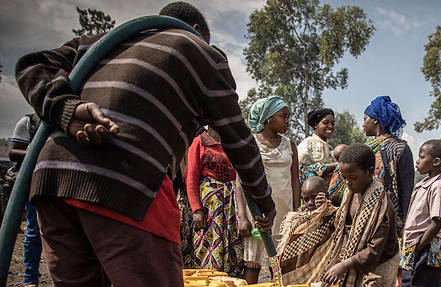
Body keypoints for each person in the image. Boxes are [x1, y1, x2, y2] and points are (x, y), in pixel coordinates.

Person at [13, 2, 276, 286]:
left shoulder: (102, 43)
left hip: (53, 182)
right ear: (197, 31)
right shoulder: (199, 51)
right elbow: (238, 139)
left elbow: (32, 64)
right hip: (128, 181)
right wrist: (263, 201)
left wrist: (64, 107)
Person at [239, 95, 301, 281]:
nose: (288, 121)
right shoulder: (251, 144)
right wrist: (242, 217)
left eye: (289, 117)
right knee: (253, 265)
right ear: (268, 118)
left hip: (284, 214)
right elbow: (240, 182)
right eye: (283, 116)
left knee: (279, 267)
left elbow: (295, 182)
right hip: (258, 214)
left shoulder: (290, 145)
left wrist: (296, 214)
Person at [322, 143, 399, 287]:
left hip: (381, 264)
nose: (347, 182)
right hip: (359, 259)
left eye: (352, 177)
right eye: (344, 177)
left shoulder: (381, 206)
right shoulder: (350, 194)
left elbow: (375, 249)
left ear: (370, 172)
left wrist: (345, 264)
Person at [185, 128, 245, 275]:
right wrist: (197, 209)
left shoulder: (232, 141)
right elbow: (191, 178)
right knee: (207, 250)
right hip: (209, 208)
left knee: (233, 250)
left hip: (232, 205)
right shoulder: (199, 142)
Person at [400, 140, 441, 287]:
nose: (417, 161)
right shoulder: (421, 185)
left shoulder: (438, 186)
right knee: (409, 283)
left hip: (426, 249)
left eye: (422, 157)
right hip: (414, 248)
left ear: (436, 161)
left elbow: (436, 224)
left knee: (422, 282)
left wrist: (418, 247)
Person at [362, 96, 414, 233]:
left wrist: (404, 224)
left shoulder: (399, 148)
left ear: (375, 120)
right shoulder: (365, 148)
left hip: (388, 218)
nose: (363, 124)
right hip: (364, 215)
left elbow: (406, 190)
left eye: (365, 119)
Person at [8, 114, 42, 287]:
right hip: (33, 183)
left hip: (59, 182)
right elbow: (13, 152)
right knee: (34, 231)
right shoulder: (29, 122)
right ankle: (30, 279)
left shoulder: (68, 122)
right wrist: (41, 153)